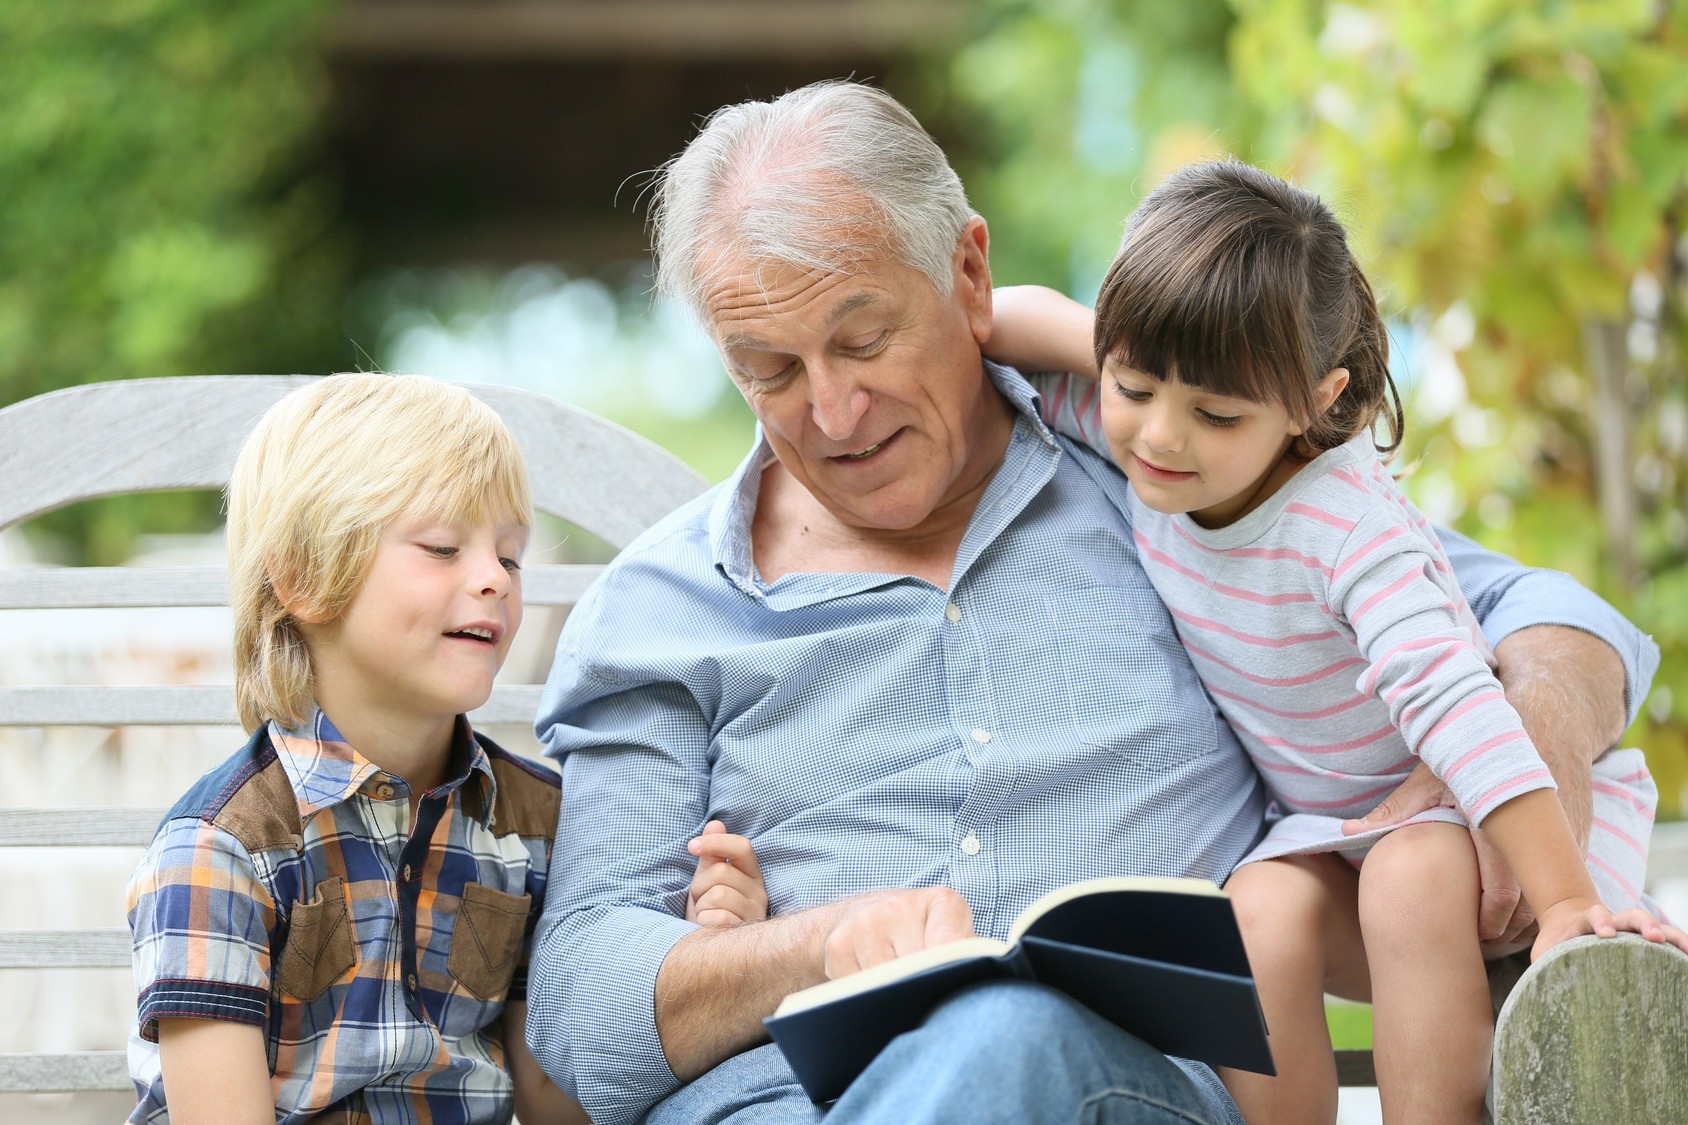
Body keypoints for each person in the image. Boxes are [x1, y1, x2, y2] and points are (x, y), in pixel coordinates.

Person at [525, 81, 1660, 1125]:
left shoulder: (1168, 476)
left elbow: (1551, 619)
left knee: (1007, 1034)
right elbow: (585, 1011)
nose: (829, 412)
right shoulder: (665, 608)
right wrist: (818, 949)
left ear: (969, 278)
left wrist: (1519, 776)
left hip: (1121, 1087)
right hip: (780, 1101)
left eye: (863, 340)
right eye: (766, 370)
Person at [982, 161, 1684, 1124]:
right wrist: (1103, 345)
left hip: (1485, 824)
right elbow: (999, 331)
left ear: (1316, 399)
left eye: (1216, 415)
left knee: (1408, 877)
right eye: (1132, 384)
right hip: (1332, 834)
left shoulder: (1349, 529)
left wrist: (1562, 899)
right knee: (1254, 916)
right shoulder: (1142, 440)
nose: (1162, 438)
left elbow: (1453, 701)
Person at [124, 374, 588, 1124]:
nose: (491, 581)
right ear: (306, 575)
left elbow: (549, 1099)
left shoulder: (535, 822)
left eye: (510, 556)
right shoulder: (221, 849)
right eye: (442, 547)